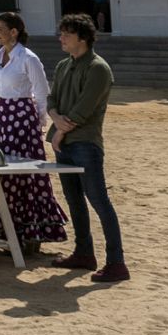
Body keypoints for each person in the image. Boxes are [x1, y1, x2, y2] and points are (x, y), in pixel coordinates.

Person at [49, 15, 129, 283]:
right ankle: (83, 251)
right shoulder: (63, 65)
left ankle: (116, 261)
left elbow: (84, 108)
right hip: (65, 142)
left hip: (84, 142)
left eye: (66, 34)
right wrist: (54, 117)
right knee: (74, 200)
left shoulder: (98, 68)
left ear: (82, 38)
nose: (61, 38)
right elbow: (53, 98)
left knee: (99, 201)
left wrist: (59, 130)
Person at [0, 11, 66, 254]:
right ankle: (5, 231)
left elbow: (42, 92)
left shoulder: (27, 58)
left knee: (24, 175)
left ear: (14, 32)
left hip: (22, 118)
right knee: (5, 174)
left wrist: (37, 122)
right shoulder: (0, 55)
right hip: (4, 117)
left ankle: (29, 234)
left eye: (1, 29)